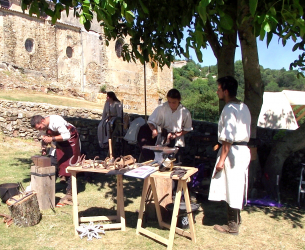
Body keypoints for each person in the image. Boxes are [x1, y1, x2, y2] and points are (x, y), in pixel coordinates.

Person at [208, 76, 251, 235]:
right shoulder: (243, 107)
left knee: (232, 186)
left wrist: (221, 159)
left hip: (233, 152)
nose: (217, 91)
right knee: (236, 185)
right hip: (242, 150)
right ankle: (235, 221)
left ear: (225, 91)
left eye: (219, 89)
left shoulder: (229, 109)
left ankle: (232, 226)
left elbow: (228, 137)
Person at [30, 115, 81, 205]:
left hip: (71, 141)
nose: (40, 130)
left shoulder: (56, 121)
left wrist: (51, 139)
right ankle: (48, 188)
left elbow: (66, 135)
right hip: (59, 142)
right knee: (53, 162)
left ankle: (70, 192)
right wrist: (43, 147)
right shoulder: (44, 126)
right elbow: (45, 136)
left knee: (70, 165)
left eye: (40, 127)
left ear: (42, 121)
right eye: (38, 129)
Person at [147, 88, 193, 163]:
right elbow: (151, 121)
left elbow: (187, 129)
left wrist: (176, 135)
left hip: (177, 142)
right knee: (160, 163)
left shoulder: (185, 112)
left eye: (174, 102)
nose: (171, 104)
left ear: (179, 100)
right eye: (169, 102)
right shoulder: (161, 108)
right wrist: (154, 129)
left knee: (174, 164)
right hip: (162, 139)